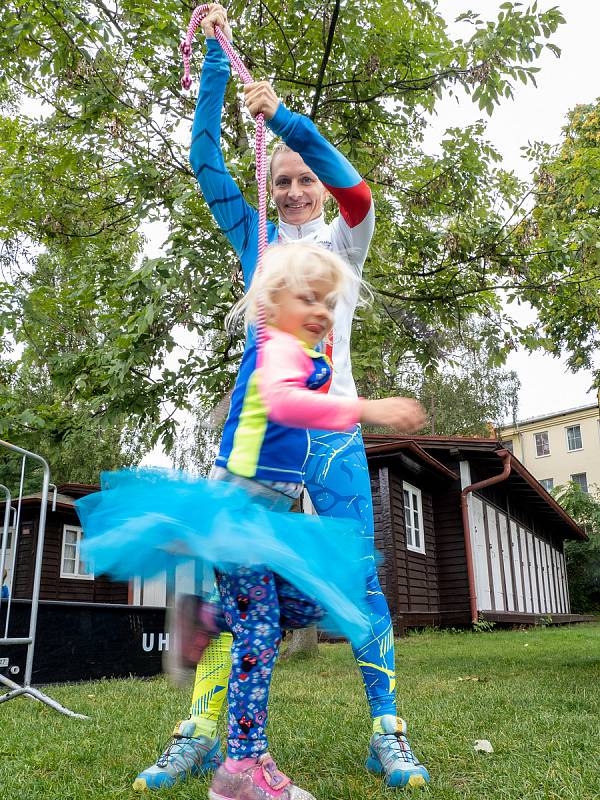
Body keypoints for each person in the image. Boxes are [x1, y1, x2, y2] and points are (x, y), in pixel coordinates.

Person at [133, 3, 430, 792]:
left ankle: (387, 733)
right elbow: (204, 163)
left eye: (306, 182)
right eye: (284, 180)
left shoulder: (345, 243)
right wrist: (217, 69)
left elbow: (358, 191)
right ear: (270, 192)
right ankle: (200, 730)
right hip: (256, 434)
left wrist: (289, 121)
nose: (297, 188)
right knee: (231, 585)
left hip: (332, 437)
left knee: (356, 580)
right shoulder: (253, 239)